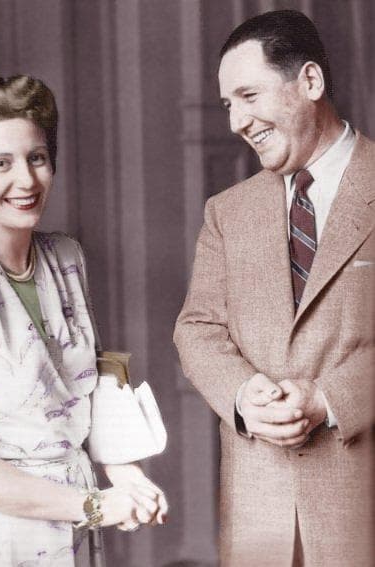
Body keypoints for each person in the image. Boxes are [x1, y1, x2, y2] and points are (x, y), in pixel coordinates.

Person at [0, 75, 167, 566]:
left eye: (36, 158)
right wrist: (92, 505)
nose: (26, 180)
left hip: (76, 529)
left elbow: (97, 381)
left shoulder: (66, 256)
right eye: (1, 163)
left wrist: (126, 475)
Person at [174, 10, 373, 567]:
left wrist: (330, 400)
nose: (237, 121)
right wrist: (242, 394)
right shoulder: (226, 212)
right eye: (227, 105)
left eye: (248, 96)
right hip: (257, 515)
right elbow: (197, 329)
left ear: (310, 81)